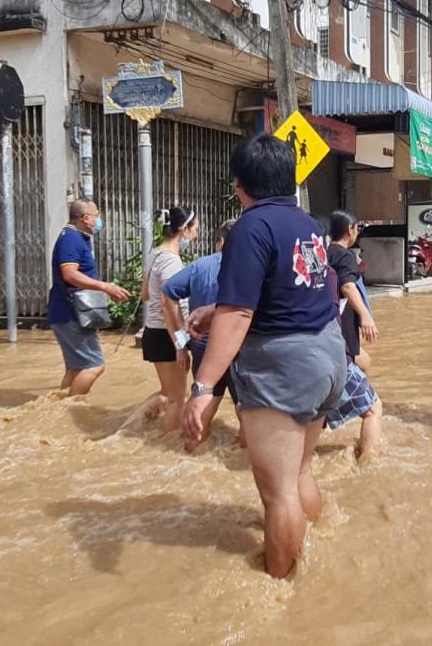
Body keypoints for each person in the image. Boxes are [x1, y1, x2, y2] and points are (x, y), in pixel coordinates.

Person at [181, 135, 346, 579]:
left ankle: (281, 591)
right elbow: (287, 290)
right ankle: (321, 565)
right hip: (328, 352)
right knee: (301, 473)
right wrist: (215, 310)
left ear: (240, 183)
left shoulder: (249, 228)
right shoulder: (307, 223)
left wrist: (202, 387)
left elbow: (239, 315)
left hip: (286, 364)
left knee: (278, 494)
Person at [162, 218, 237, 450]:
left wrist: (181, 340)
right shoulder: (251, 268)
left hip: (203, 348)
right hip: (239, 347)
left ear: (220, 242)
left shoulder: (201, 266)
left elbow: (167, 295)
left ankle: (188, 453)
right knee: (247, 412)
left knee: (202, 407)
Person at [47, 199, 131, 397]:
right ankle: (68, 407)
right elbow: (70, 274)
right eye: (97, 215)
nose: (99, 220)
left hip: (68, 312)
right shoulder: (71, 239)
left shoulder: (74, 236)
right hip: (72, 313)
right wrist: (105, 287)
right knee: (94, 366)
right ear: (85, 218)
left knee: (75, 369)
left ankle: (56, 408)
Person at [324, 210, 383, 460]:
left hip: (325, 340)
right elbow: (348, 286)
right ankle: (368, 464)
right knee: (374, 409)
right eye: (357, 228)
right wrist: (366, 316)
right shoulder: (344, 255)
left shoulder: (323, 254)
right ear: (350, 230)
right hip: (339, 346)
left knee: (364, 361)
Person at [141, 207, 200, 432]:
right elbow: (168, 304)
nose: (195, 235)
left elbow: (145, 294)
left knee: (168, 393)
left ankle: (135, 425)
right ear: (184, 229)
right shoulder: (170, 261)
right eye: (195, 229)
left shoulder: (155, 253)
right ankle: (168, 443)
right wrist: (180, 345)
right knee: (178, 398)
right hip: (167, 335)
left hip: (155, 331)